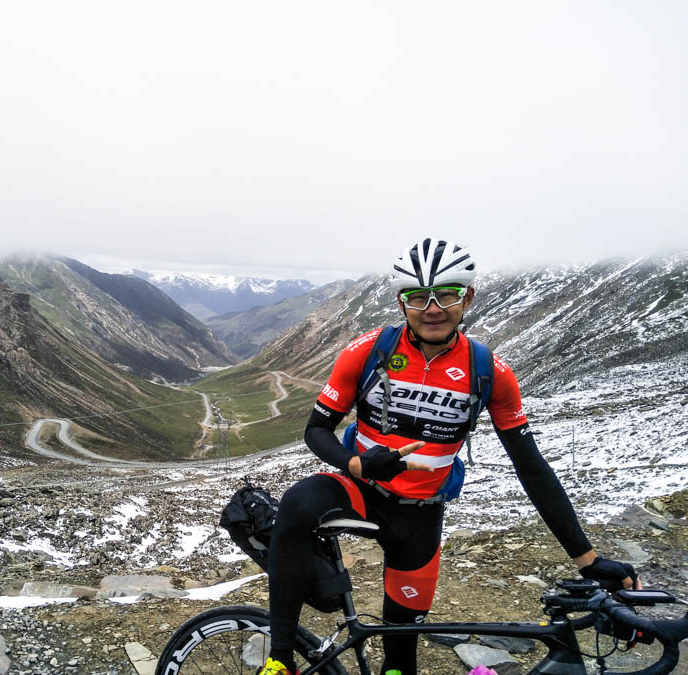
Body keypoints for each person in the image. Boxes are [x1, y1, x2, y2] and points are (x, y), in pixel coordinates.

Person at [258, 237, 641, 675]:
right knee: (295, 505)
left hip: (419, 518)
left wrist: (588, 560)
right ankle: (280, 658)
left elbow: (530, 466)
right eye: (418, 296)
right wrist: (357, 464)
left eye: (448, 294)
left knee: (400, 657)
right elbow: (316, 429)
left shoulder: (488, 372)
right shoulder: (367, 351)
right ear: (402, 302)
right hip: (359, 489)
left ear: (468, 297)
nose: (433, 308)